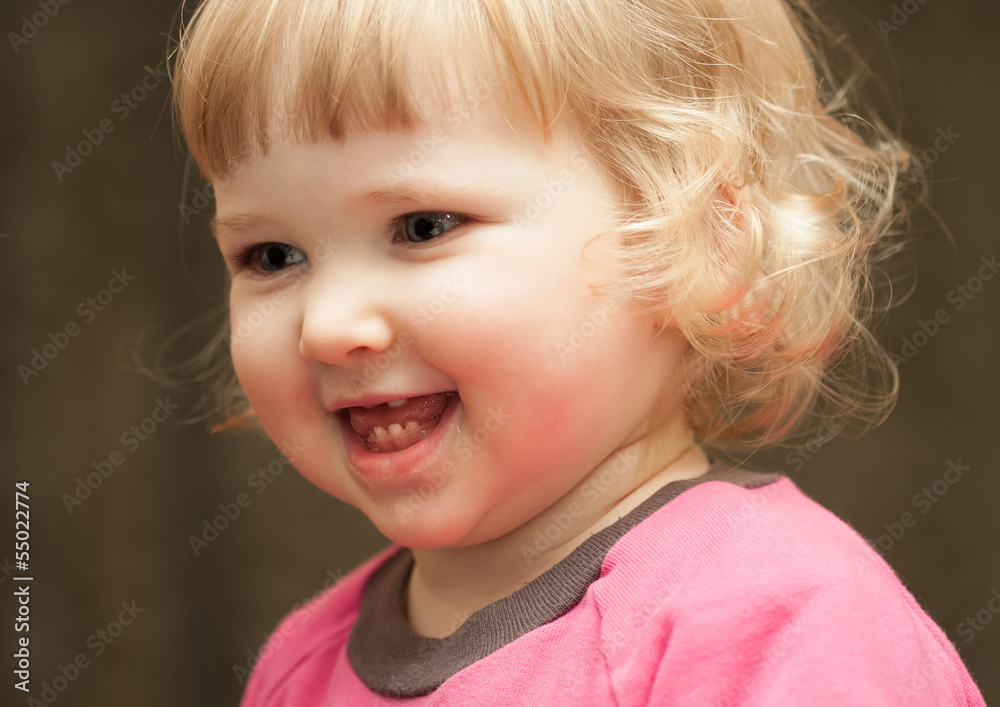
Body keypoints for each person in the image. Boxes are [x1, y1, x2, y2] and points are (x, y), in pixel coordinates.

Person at [170, 0, 987, 703]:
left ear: (701, 240)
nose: (327, 324)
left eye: (423, 227)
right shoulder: (296, 672)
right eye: (272, 256)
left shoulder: (785, 624)